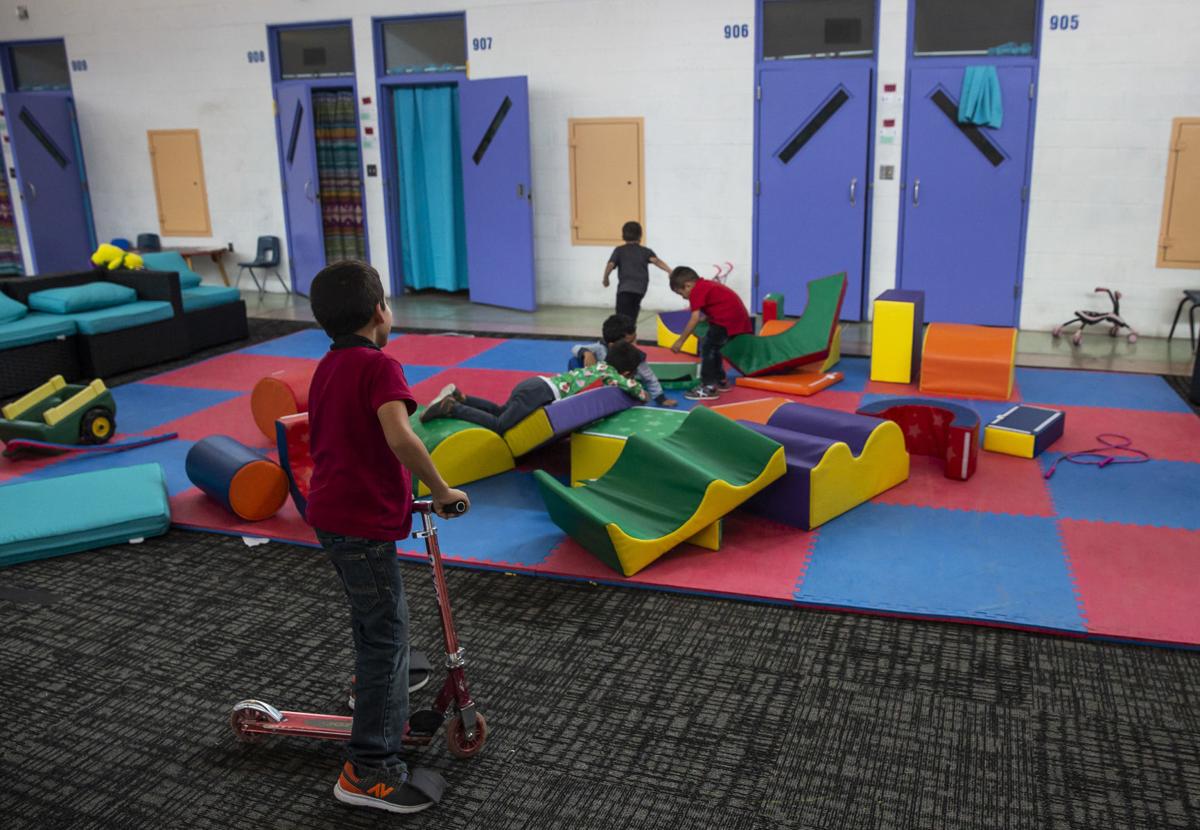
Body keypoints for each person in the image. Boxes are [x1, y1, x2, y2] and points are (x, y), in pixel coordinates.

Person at [305, 260, 470, 815]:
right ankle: (369, 770)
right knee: (386, 637)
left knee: (374, 620)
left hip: (333, 515)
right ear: (381, 311)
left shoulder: (327, 366)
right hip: (358, 524)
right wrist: (442, 489)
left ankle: (372, 690)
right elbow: (400, 436)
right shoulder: (381, 367)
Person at [421, 339, 649, 431]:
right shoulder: (610, 373)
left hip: (536, 384)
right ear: (627, 371)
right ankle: (452, 407)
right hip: (541, 393)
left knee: (502, 410)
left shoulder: (600, 366)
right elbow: (636, 390)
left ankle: (463, 397)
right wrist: (641, 391)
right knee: (501, 425)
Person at [668, 265, 752, 400]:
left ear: (688, 285)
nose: (683, 297)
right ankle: (720, 380)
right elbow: (718, 303)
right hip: (735, 318)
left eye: (681, 293)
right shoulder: (705, 285)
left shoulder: (696, 291)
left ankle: (708, 386)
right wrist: (707, 317)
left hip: (726, 321)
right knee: (715, 349)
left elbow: (694, 318)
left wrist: (680, 341)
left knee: (708, 348)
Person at [570, 314, 678, 408]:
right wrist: (586, 353)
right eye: (630, 342)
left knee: (636, 396)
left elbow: (649, 377)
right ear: (612, 345)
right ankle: (580, 394)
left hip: (620, 387)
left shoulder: (635, 355)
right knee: (574, 361)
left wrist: (661, 398)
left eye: (635, 339)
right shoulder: (600, 348)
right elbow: (575, 348)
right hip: (598, 386)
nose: (635, 345)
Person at [602, 220, 671, 322]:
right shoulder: (645, 251)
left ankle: (623, 334)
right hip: (640, 290)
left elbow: (610, 264)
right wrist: (669, 270)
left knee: (621, 317)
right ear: (640, 236)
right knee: (632, 314)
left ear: (623, 235)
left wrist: (605, 278)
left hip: (624, 290)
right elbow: (656, 261)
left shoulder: (619, 250)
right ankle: (630, 331)